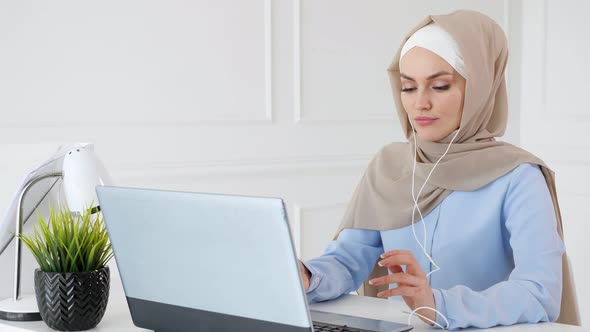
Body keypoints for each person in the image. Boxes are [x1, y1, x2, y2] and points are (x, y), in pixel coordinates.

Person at [297, 10, 579, 330]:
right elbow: (348, 260)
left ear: (479, 88)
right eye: (408, 87)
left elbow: (540, 291)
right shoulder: (389, 166)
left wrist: (437, 304)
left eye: (440, 86)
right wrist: (306, 276)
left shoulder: (518, 176)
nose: (420, 104)